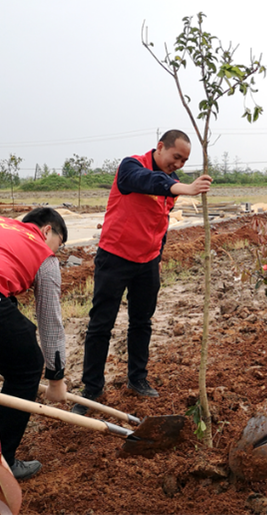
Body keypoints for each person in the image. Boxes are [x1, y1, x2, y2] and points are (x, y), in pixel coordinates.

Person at [74, 130, 211, 412]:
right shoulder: (131, 166)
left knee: (142, 322)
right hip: (115, 258)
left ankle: (137, 379)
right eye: (176, 157)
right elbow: (145, 181)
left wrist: (157, 257)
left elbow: (160, 225)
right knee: (101, 324)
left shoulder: (170, 183)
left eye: (184, 161)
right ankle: (91, 389)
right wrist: (181, 187)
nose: (179, 165)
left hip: (147, 263)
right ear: (160, 147)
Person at [0, 208, 68, 480]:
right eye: (58, 246)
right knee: (27, 367)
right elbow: (50, 320)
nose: (56, 253)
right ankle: (0, 462)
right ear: (47, 230)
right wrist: (55, 380)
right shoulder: (43, 254)